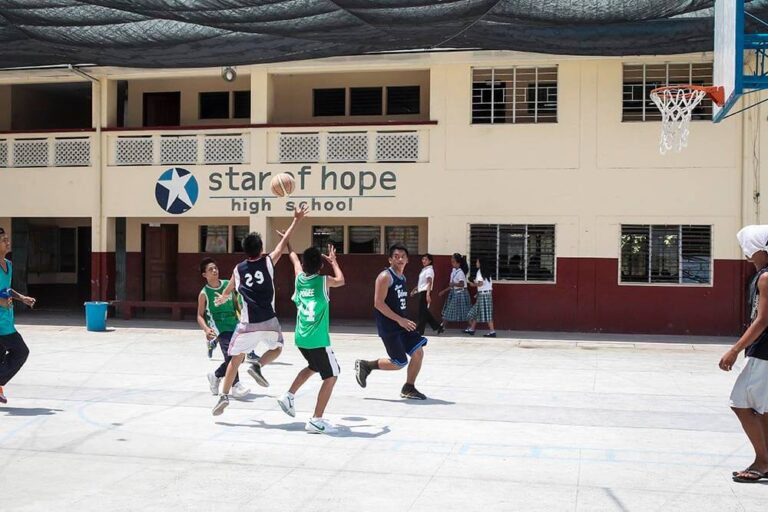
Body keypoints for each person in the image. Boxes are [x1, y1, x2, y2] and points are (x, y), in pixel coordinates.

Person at [211, 205, 307, 416]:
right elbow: (283, 244)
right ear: (261, 247)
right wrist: (296, 220)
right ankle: (257, 366)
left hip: (247, 324)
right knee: (278, 348)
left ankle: (224, 396)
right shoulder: (268, 261)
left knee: (234, 359)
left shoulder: (239, 268)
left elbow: (231, 285)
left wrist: (224, 296)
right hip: (269, 321)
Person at [277, 243, 345, 434]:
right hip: (318, 340)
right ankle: (316, 419)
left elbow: (294, 259)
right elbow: (341, 280)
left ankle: (288, 395)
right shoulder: (324, 281)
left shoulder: (299, 279)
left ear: (305, 264)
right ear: (320, 265)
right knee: (332, 375)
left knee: (314, 367)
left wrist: (289, 243)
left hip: (301, 337)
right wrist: (335, 262)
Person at [720, 225, 768, 483]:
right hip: (762, 351)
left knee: (740, 402)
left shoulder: (765, 277)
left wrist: (734, 350)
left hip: (764, 352)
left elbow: (762, 321)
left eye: (749, 248)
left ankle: (762, 462)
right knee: (762, 408)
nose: (747, 254)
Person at [355, 243, 428, 400]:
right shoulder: (385, 277)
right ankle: (367, 365)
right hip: (390, 326)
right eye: (396, 257)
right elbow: (378, 303)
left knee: (418, 352)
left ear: (407, 260)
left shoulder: (402, 277)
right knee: (399, 362)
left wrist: (404, 320)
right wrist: (400, 320)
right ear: (390, 260)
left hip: (402, 324)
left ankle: (409, 388)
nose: (400, 259)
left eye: (403, 256)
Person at [197, 257, 250, 399]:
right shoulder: (204, 293)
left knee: (239, 356)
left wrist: (243, 319)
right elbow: (199, 316)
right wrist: (206, 330)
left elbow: (237, 303)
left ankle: (216, 375)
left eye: (215, 268)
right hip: (219, 326)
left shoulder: (228, 285)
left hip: (234, 323)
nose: (214, 271)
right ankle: (236, 384)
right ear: (204, 275)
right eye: (210, 269)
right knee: (231, 355)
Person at [0, 227, 36, 404]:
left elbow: (6, 289)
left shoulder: (9, 265)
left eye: (7, 239)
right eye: (3, 240)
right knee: (21, 352)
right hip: (1, 324)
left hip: (7, 318)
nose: (8, 242)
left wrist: (22, 298)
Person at [410, 253, 443, 336]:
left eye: (426, 259)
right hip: (422, 291)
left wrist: (428, 294)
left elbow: (429, 282)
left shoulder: (429, 270)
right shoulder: (424, 269)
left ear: (430, 261)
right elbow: (421, 283)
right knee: (424, 312)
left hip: (425, 291)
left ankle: (419, 330)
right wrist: (415, 290)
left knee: (422, 312)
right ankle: (438, 327)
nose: (423, 261)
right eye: (423, 259)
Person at [438, 253, 471, 330]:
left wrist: (454, 283)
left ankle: (471, 327)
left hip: (461, 293)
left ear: (458, 263)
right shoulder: (453, 271)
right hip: (454, 293)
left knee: (464, 311)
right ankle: (443, 325)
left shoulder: (460, 273)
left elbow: (462, 284)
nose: (452, 263)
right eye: (451, 261)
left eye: (453, 262)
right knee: (449, 309)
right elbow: (451, 285)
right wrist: (444, 291)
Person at [464, 258, 496, 337]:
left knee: (477, 313)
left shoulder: (479, 272)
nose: (476, 263)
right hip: (487, 295)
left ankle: (492, 331)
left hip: (483, 296)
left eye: (477, 262)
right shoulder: (487, 273)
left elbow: (481, 284)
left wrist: (473, 284)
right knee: (478, 312)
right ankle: (472, 329)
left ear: (481, 263)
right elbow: (485, 285)